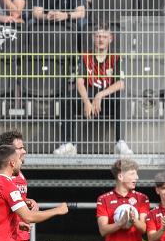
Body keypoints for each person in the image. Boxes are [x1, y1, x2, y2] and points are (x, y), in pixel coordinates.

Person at [54, 25, 133, 157]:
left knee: (122, 96)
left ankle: (121, 142)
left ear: (111, 39)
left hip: (107, 98)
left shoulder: (116, 57)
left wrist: (100, 95)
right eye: (97, 36)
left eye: (104, 37)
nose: (101, 40)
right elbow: (79, 81)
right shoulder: (85, 56)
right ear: (93, 38)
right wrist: (86, 102)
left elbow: (121, 83)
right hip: (89, 96)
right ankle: (68, 144)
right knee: (66, 98)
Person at [96, 158, 150, 241]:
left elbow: (144, 229)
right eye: (132, 174)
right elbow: (103, 230)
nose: (137, 177)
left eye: (136, 174)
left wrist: (133, 220)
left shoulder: (142, 198)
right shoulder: (103, 199)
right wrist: (120, 223)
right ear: (121, 177)